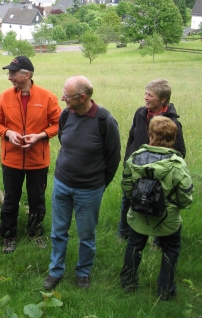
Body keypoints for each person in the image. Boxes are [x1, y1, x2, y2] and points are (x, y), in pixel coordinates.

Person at [43, 76, 121, 291]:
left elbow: (113, 158)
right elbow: (64, 141)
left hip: (90, 190)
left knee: (86, 235)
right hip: (62, 184)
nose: (62, 99)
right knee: (58, 231)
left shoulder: (105, 121)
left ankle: (83, 273)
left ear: (83, 97)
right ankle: (55, 271)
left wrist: (98, 185)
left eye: (67, 96)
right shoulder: (66, 114)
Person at [0, 56, 60, 254]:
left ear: (26, 75)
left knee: (37, 199)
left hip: (37, 159)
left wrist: (40, 136)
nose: (9, 77)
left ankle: (35, 233)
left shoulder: (48, 98)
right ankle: (8, 236)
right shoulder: (3, 98)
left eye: (13, 73)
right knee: (11, 198)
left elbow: (58, 123)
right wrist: (8, 133)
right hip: (11, 159)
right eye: (9, 73)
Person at [119, 116, 193, 301]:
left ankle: (128, 284)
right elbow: (185, 194)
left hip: (138, 215)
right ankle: (165, 290)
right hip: (167, 218)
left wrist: (136, 201)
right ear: (173, 138)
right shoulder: (177, 163)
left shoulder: (135, 158)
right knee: (171, 249)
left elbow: (127, 185)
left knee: (134, 245)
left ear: (150, 135)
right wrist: (175, 205)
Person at [117, 79, 186, 241]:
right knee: (127, 202)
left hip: (159, 178)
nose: (146, 98)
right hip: (136, 171)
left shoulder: (172, 122)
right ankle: (123, 233)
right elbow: (131, 138)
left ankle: (158, 241)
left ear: (163, 99)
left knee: (159, 206)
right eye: (145, 94)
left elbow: (180, 151)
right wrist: (128, 160)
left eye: (150, 95)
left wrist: (165, 171)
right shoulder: (140, 113)